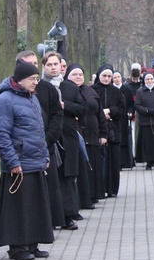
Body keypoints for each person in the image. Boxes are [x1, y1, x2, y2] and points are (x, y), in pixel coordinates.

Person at [0, 60, 54, 260]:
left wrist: (45, 155)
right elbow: (1, 135)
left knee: (35, 207)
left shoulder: (31, 98)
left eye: (37, 78)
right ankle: (18, 247)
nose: (36, 83)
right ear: (21, 80)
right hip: (18, 164)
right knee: (19, 209)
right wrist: (12, 161)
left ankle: (33, 244)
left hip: (34, 162)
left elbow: (39, 132)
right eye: (32, 79)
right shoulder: (5, 100)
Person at [17, 51, 65, 231]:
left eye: (35, 63)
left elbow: (56, 115)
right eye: (28, 63)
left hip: (46, 145)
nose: (32, 67)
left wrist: (48, 138)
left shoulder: (47, 88)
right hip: (25, 151)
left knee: (50, 187)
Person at [67, 64, 107, 207]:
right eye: (74, 74)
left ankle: (92, 195)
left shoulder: (91, 92)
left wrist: (103, 133)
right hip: (76, 135)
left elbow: (100, 114)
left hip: (92, 134)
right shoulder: (65, 91)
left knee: (93, 167)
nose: (78, 77)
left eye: (80, 75)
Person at [58, 62, 88, 228]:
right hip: (51, 137)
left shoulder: (70, 88)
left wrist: (65, 106)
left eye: (60, 65)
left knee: (68, 177)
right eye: (52, 64)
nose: (57, 68)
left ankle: (69, 214)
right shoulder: (42, 87)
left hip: (68, 137)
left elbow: (82, 108)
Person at [92, 64, 126, 197]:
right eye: (104, 76)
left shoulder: (117, 92)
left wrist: (110, 111)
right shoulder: (92, 90)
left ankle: (112, 189)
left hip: (114, 130)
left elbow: (122, 109)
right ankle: (100, 189)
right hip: (97, 130)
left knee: (113, 160)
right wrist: (100, 113)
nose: (106, 79)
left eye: (109, 76)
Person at [113, 71, 135, 169]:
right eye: (115, 77)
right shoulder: (111, 90)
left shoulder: (127, 90)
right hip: (113, 118)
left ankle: (126, 161)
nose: (117, 79)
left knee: (125, 139)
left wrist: (130, 111)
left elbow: (131, 104)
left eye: (118, 77)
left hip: (124, 118)